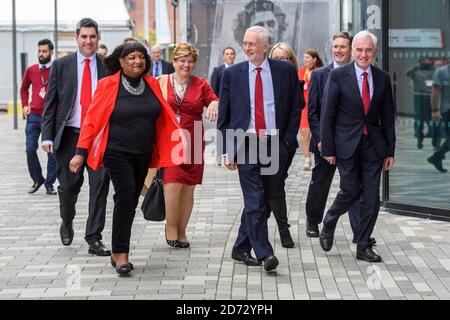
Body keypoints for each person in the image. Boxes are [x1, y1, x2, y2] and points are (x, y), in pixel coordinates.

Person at [69, 41, 185, 275]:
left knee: (130, 201)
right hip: (115, 152)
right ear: (121, 61)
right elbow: (91, 120)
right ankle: (122, 255)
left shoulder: (152, 84)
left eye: (141, 56)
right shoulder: (107, 85)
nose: (137, 61)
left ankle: (116, 250)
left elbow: (163, 117)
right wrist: (81, 152)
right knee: (125, 195)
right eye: (131, 57)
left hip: (143, 153)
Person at [218, 26, 302, 272]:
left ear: (266, 46)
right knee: (255, 201)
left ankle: (241, 247)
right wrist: (227, 150)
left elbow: (296, 106)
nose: (247, 48)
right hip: (246, 144)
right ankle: (265, 253)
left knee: (263, 201)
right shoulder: (233, 74)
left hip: (276, 144)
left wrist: (287, 141)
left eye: (252, 44)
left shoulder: (284, 71)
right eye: (245, 43)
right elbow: (224, 118)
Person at [319, 30, 396, 263]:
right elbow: (327, 114)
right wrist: (328, 149)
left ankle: (363, 246)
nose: (364, 54)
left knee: (372, 198)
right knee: (350, 190)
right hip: (345, 144)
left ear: (374, 52)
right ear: (353, 51)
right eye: (359, 50)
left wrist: (390, 150)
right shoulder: (338, 75)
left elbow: (388, 117)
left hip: (374, 145)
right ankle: (329, 221)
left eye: (368, 50)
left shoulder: (382, 78)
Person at [41, 18, 111, 256]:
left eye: (92, 36)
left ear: (98, 37)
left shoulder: (107, 65)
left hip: (99, 137)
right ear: (76, 38)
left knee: (100, 186)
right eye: (84, 36)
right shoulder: (61, 65)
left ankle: (94, 238)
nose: (88, 41)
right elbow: (51, 103)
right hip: (70, 136)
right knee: (69, 187)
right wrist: (47, 136)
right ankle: (67, 219)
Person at [156, 43, 218, 249]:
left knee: (188, 188)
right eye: (182, 60)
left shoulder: (201, 84)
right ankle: (171, 226)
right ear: (174, 62)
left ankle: (182, 231)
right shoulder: (162, 82)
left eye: (190, 61)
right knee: (172, 184)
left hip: (194, 138)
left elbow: (214, 100)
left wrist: (214, 105)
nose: (186, 64)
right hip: (170, 139)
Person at [267, 41, 305, 248]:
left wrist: (287, 140)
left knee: (274, 182)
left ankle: (261, 222)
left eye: (285, 58)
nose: (280, 62)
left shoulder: (293, 81)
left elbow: (296, 109)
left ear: (292, 61)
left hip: (284, 143)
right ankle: (283, 229)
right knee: (274, 184)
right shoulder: (262, 80)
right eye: (276, 58)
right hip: (264, 141)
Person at [20, 39, 57, 196]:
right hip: (34, 116)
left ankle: (49, 184)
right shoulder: (31, 69)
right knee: (29, 149)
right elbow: (23, 89)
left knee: (52, 153)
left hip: (51, 117)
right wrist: (24, 105)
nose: (41, 54)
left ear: (51, 52)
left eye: (44, 51)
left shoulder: (57, 69)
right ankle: (37, 178)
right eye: (39, 51)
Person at [299, 49, 324, 171]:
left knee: (315, 131)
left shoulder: (320, 72)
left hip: (315, 106)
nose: (305, 60)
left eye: (308, 57)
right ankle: (307, 158)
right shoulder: (301, 71)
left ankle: (317, 155)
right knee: (304, 132)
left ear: (314, 59)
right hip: (303, 106)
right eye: (304, 57)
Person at [406, 57, 435, 149]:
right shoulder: (416, 72)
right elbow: (408, 73)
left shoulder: (434, 72)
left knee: (429, 120)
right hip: (420, 98)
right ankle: (420, 139)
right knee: (421, 120)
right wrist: (417, 66)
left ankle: (433, 140)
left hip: (429, 98)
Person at [427, 61, 450, 173]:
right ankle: (437, 157)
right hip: (447, 110)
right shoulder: (441, 72)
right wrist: (435, 110)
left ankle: (437, 157)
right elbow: (435, 92)